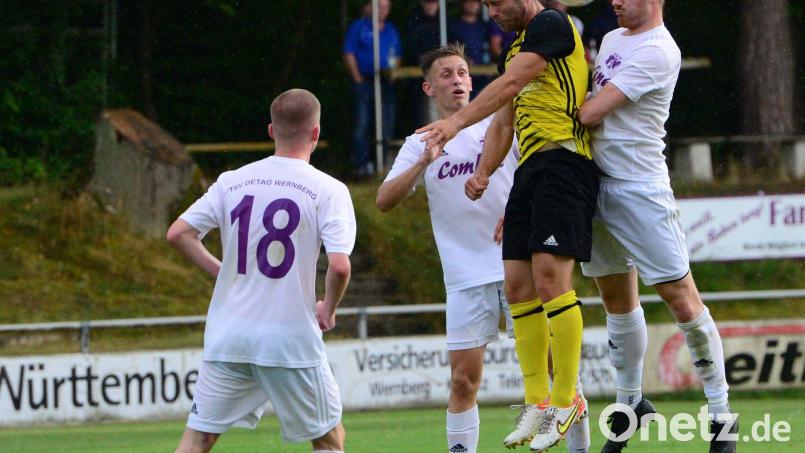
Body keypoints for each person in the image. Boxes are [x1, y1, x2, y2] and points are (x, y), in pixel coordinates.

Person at [419, 1, 597, 451]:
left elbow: (513, 83)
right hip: (530, 170)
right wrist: (483, 172)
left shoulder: (551, 24)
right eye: (486, 5)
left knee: (550, 279)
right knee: (518, 287)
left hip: (564, 161)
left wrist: (455, 123)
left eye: (497, 2)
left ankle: (566, 399)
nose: (491, 11)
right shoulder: (512, 48)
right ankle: (538, 401)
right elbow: (504, 119)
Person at [576, 1, 738, 452]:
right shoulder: (612, 38)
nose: (615, 1)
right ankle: (630, 404)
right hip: (594, 183)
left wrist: (543, 100)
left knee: (681, 299)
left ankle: (721, 413)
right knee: (616, 302)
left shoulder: (660, 51)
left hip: (639, 189)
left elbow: (589, 114)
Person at [168, 89, 356, 453]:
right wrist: (329, 309)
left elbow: (178, 234)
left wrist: (223, 271)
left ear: (271, 131)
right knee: (329, 440)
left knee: (198, 440)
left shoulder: (232, 181)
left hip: (229, 336)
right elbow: (339, 266)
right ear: (316, 133)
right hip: (288, 340)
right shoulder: (329, 189)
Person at [343, 0, 402, 177]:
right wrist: (357, 78)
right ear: (370, 7)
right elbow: (349, 53)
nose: (383, 10)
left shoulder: (391, 29)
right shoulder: (359, 27)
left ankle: (380, 164)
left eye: (386, 7)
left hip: (385, 82)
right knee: (362, 123)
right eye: (379, 6)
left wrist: (394, 72)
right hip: (365, 81)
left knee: (386, 123)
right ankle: (360, 167)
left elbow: (397, 54)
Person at [405, 0, 443, 126]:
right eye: (428, 2)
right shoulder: (414, 22)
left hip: (441, 77)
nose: (430, 5)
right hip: (420, 78)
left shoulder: (444, 22)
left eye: (433, 2)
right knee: (424, 114)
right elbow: (411, 48)